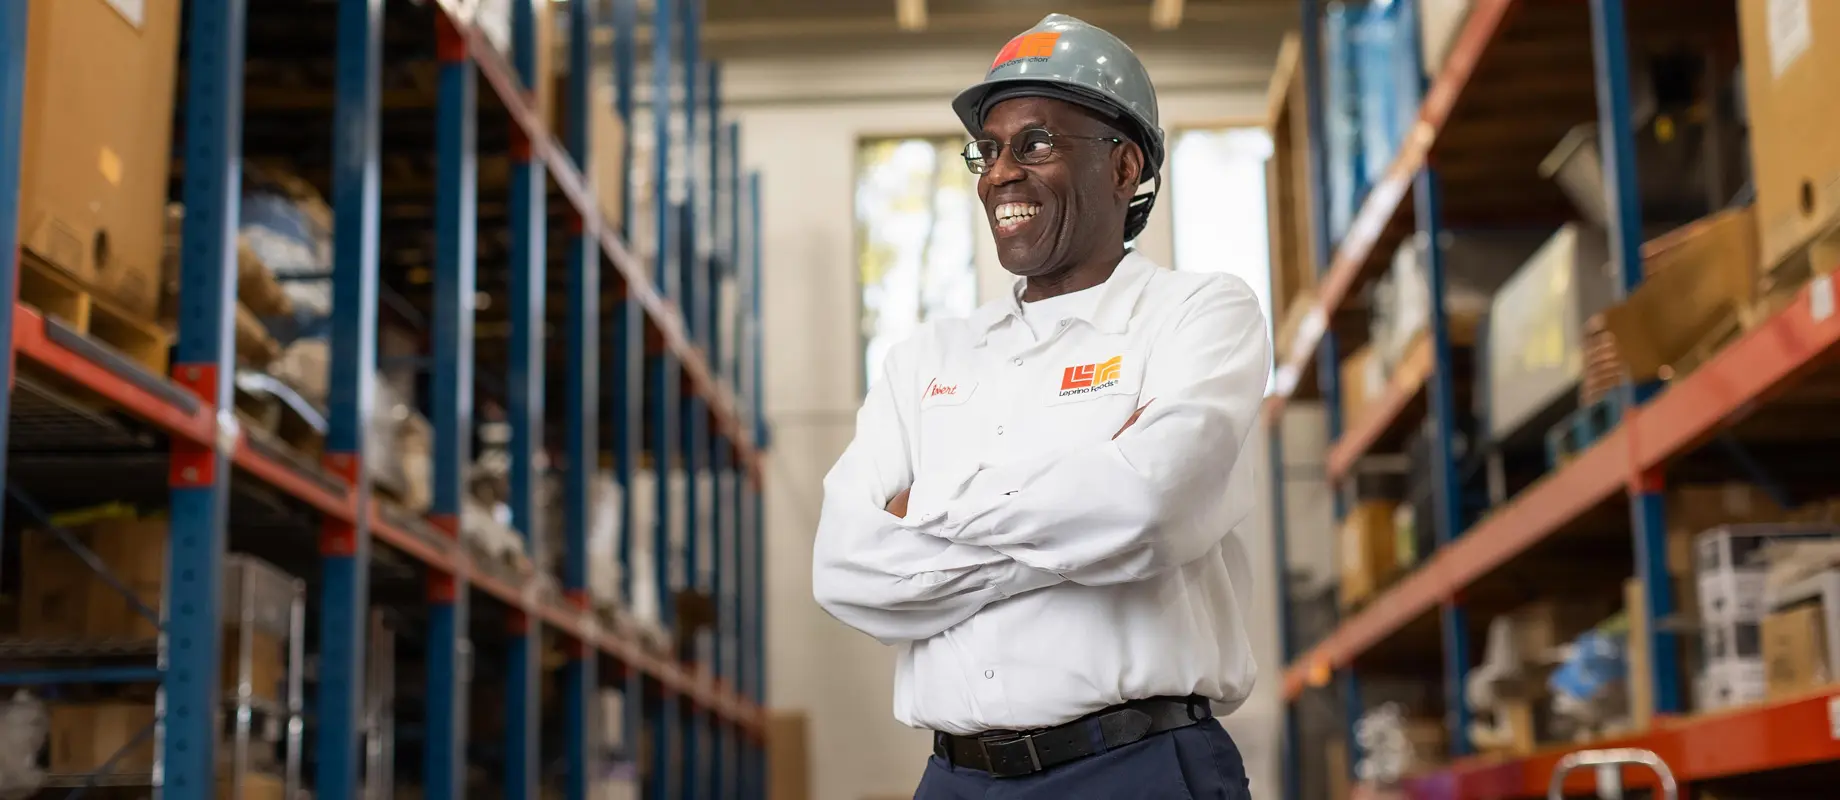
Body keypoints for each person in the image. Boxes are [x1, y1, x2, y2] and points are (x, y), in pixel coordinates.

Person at [811, 13, 1269, 799]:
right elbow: (844, 570)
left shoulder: (1199, 317)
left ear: (1124, 167)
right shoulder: (926, 359)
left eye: (1036, 144)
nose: (1000, 174)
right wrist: (1079, 518)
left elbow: (1148, 505)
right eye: (988, 151)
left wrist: (930, 510)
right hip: (954, 777)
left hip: (1140, 768)